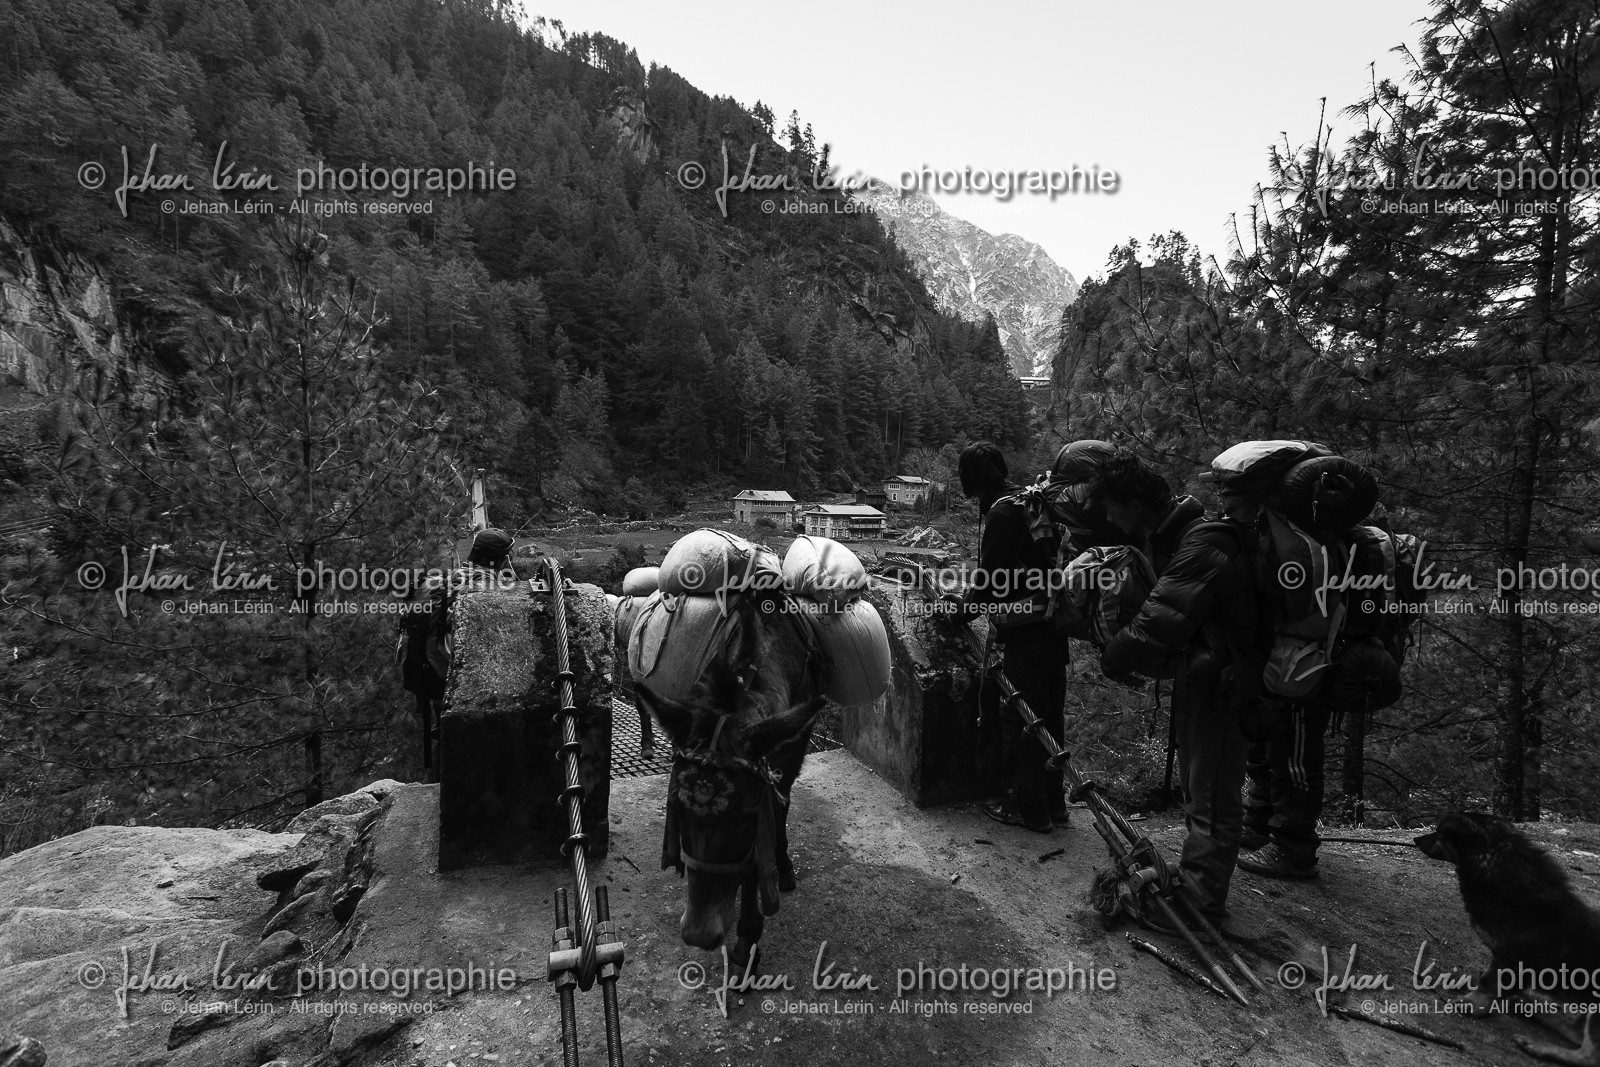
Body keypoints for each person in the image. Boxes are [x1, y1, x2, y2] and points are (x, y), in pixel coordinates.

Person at [1091, 452, 1261, 925]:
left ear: (1135, 503)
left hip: (1224, 685)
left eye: (1112, 508)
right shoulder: (1181, 536)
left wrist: (1111, 657)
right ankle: (1198, 887)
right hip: (1212, 678)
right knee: (1203, 789)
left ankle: (1199, 906)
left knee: (1210, 795)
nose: (1109, 518)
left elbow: (1156, 626)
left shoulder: (1202, 544)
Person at [952, 441, 1069, 833]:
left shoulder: (1003, 514)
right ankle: (1054, 803)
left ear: (971, 482)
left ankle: (1025, 808)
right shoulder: (1030, 503)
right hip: (1053, 627)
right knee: (1049, 717)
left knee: (1020, 718)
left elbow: (988, 581)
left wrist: (960, 614)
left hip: (1026, 633)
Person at [1238, 707, 1329, 879]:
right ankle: (1259, 823)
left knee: (1295, 757)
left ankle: (1293, 848)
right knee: (1261, 744)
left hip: (1302, 688)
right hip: (1274, 685)